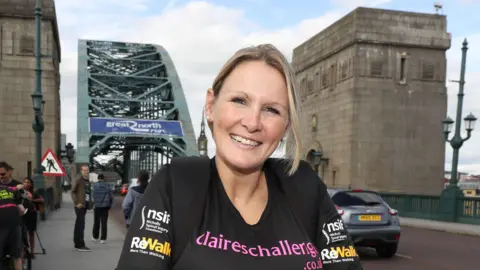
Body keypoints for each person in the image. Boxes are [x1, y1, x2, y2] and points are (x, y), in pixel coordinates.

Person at [116, 44, 363, 269]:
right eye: (239, 100)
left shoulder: (305, 186)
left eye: (271, 110)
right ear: (211, 106)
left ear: (286, 126)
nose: (252, 123)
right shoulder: (175, 185)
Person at [0, 162, 26, 270]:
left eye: (3, 174)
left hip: (14, 222)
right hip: (1, 225)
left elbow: (22, 201)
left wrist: (21, 207)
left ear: (9, 172)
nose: (0, 176)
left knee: (17, 254)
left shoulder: (17, 185)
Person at [71, 164, 92, 252]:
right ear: (81, 171)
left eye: (87, 170)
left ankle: (78, 244)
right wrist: (77, 203)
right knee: (80, 225)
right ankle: (80, 245)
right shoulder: (79, 179)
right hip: (80, 206)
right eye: (84, 170)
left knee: (80, 225)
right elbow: (73, 192)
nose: (86, 172)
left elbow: (87, 193)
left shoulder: (87, 180)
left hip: (85, 205)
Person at [22, 177, 44, 258]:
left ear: (31, 184)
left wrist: (32, 200)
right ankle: (24, 250)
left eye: (28, 182)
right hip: (22, 214)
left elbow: (42, 200)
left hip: (31, 214)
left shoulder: (34, 192)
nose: (26, 184)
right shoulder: (20, 191)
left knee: (31, 233)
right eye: (25, 182)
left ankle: (32, 251)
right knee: (22, 233)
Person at [91, 174, 113, 244]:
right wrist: (109, 205)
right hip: (105, 207)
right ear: (103, 179)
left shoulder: (94, 186)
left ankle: (95, 237)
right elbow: (111, 197)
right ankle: (103, 238)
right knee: (104, 223)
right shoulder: (107, 186)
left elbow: (92, 197)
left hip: (97, 206)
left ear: (98, 178)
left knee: (96, 222)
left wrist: (93, 204)